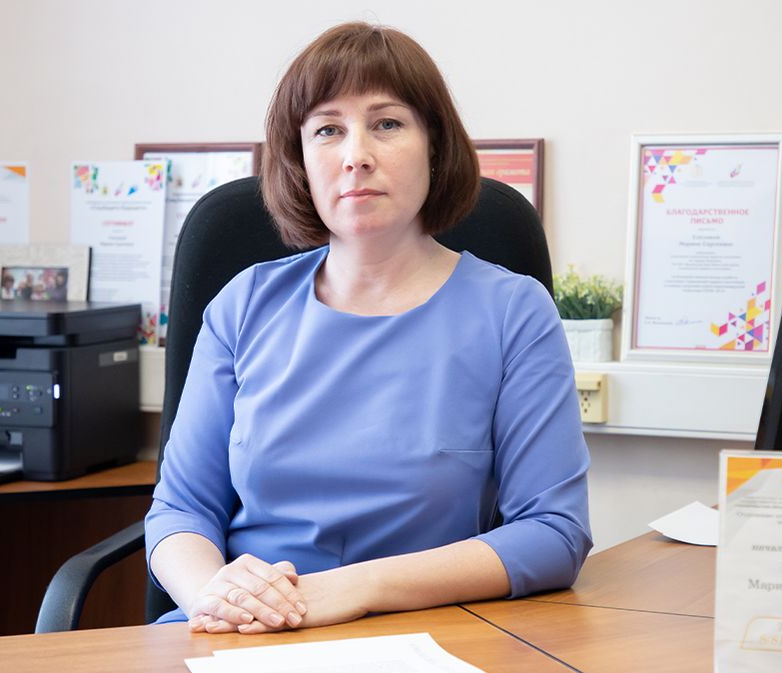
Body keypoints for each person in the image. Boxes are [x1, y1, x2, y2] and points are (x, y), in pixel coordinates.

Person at [145, 21, 591, 635]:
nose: (356, 155)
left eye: (387, 123)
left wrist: (352, 588)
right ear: (301, 160)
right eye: (328, 129)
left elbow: (554, 533)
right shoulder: (244, 305)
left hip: (422, 635)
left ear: (434, 146)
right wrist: (216, 597)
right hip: (236, 632)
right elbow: (180, 509)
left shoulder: (512, 311)